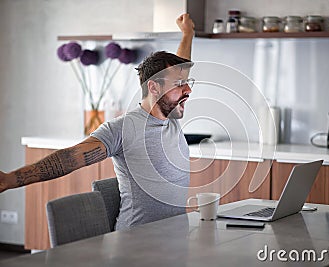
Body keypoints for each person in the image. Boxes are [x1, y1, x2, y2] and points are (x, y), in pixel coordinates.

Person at [0, 13, 196, 230]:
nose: (187, 90)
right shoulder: (123, 129)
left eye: (186, 83)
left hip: (175, 240)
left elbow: (182, 66)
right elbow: (69, 158)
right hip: (136, 245)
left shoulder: (171, 119)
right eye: (179, 84)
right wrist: (10, 180)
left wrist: (188, 33)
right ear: (154, 88)